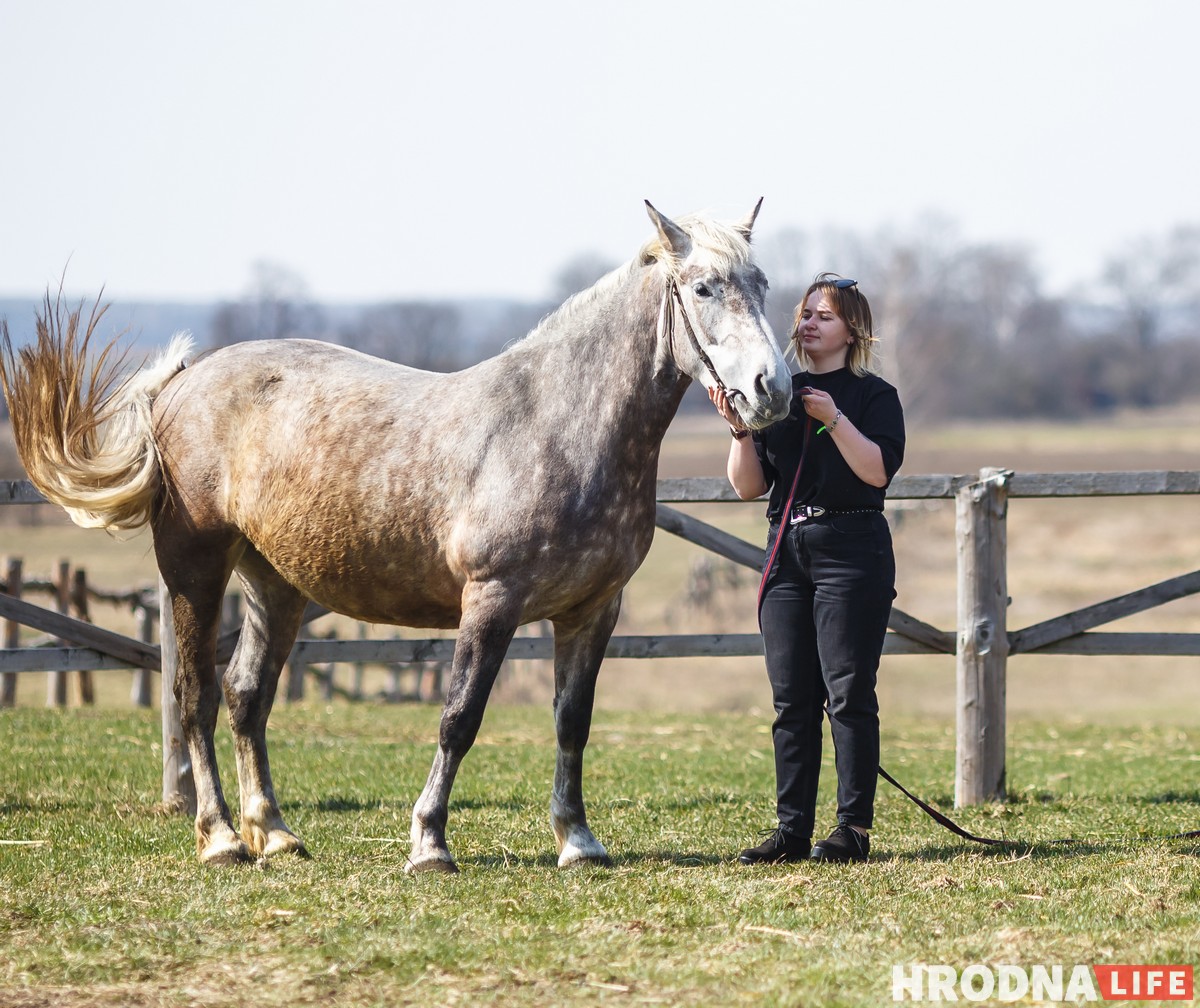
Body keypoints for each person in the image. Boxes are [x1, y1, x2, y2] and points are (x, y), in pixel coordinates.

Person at [710, 273, 905, 864]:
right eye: (806, 314)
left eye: (825, 315)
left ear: (853, 331)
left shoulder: (875, 396)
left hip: (852, 548)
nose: (810, 323)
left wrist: (835, 419)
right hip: (786, 553)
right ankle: (791, 831)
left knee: (847, 693)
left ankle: (852, 830)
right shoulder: (777, 393)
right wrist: (742, 430)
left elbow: (876, 472)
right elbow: (748, 488)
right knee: (791, 699)